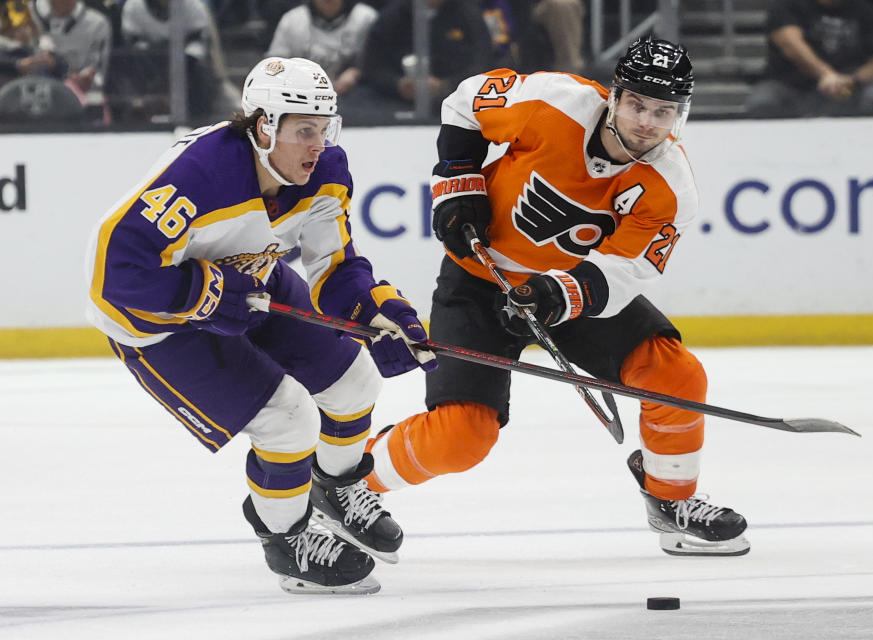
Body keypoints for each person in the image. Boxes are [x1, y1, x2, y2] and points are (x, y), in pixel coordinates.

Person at [362, 36, 750, 557]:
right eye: (636, 103)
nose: (645, 122)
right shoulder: (554, 101)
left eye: (663, 111)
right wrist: (459, 182)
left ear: (681, 114)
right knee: (461, 438)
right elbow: (466, 101)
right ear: (614, 96)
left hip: (567, 294)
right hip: (479, 281)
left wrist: (556, 294)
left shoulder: (671, 186)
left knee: (676, 376)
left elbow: (625, 270)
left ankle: (670, 498)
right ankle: (348, 482)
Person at [84, 57, 437, 594]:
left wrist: (374, 311)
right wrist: (200, 295)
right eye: (303, 131)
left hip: (250, 281)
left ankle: (335, 486)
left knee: (355, 379)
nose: (318, 145)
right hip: (156, 323)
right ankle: (286, 539)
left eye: (324, 128)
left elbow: (336, 267)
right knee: (288, 418)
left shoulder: (326, 171)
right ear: (262, 125)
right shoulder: (201, 174)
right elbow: (114, 274)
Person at [340, 0, 493, 124]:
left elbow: (483, 63)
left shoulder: (468, 14)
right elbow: (372, 65)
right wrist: (397, 84)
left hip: (455, 100)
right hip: (394, 101)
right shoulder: (394, 14)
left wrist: (446, 85)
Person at [745, 0, 873, 116]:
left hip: (844, 91)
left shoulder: (865, 11)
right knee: (763, 99)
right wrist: (826, 74)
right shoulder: (788, 5)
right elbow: (790, 44)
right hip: (790, 87)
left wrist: (851, 81)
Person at [266, 0, 378, 96]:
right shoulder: (292, 19)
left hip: (352, 95)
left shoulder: (366, 17)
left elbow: (380, 64)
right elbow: (273, 65)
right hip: (300, 95)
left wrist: (357, 71)